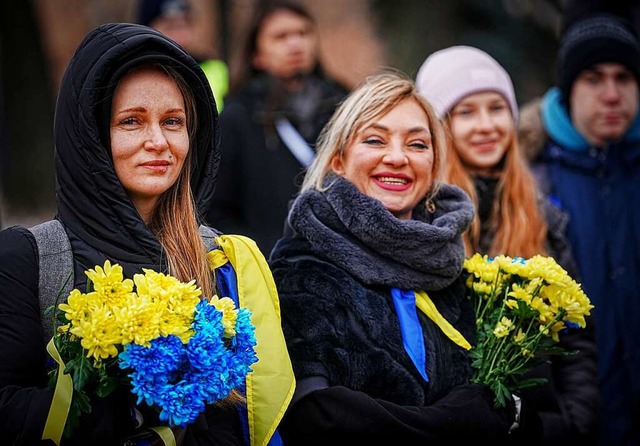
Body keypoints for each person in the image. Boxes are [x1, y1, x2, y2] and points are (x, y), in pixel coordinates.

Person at [0, 23, 294, 445]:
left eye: (173, 121)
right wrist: (131, 402)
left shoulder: (224, 261)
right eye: (132, 121)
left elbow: (254, 416)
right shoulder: (29, 261)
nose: (158, 141)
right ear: (91, 136)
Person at [268, 70, 541, 445]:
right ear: (338, 160)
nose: (397, 158)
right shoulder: (302, 264)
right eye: (375, 140)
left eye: (417, 145)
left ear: (433, 167)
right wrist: (460, 420)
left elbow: (515, 408)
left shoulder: (452, 271)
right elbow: (314, 414)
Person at [416, 45, 601, 445]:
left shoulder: (543, 215)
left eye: (496, 108)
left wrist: (571, 421)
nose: (486, 125)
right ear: (439, 127)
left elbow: (576, 337)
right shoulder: (424, 221)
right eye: (466, 112)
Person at [517, 12, 640, 446]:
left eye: (624, 77)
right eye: (593, 78)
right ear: (569, 89)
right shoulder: (529, 177)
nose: (611, 95)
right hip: (581, 421)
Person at [204, 0, 349, 255]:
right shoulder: (236, 118)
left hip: (344, 262)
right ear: (257, 55)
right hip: (272, 267)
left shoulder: (347, 107)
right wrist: (267, 254)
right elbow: (216, 210)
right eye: (280, 37)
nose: (295, 44)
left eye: (303, 33)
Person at [137, 0, 229, 112]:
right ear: (146, 30)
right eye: (170, 28)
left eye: (183, 26)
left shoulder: (212, 67)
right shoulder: (131, 71)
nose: (179, 36)